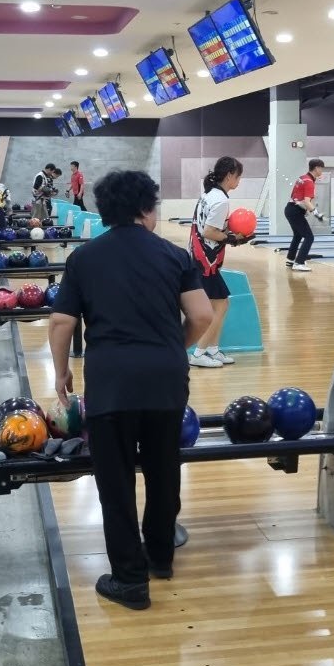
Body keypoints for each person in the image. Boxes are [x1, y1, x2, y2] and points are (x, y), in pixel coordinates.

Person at [49, 170, 213, 611]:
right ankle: (160, 556)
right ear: (146, 208)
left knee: (116, 481)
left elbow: (62, 321)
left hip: (111, 383)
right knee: (164, 470)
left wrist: (61, 373)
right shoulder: (174, 255)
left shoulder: (84, 258)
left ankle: (129, 579)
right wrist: (172, 348)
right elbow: (201, 316)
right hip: (165, 380)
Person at [188, 156, 247, 368]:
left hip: (199, 258)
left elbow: (209, 227)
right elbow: (209, 231)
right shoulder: (221, 200)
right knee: (219, 306)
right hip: (206, 262)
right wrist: (232, 238)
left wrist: (231, 235)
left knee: (221, 304)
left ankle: (212, 350)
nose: (239, 180)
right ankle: (199, 353)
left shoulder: (209, 194)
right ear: (230, 175)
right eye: (238, 176)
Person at [284, 159, 325, 272]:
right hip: (295, 211)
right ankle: (299, 263)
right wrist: (317, 214)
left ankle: (291, 259)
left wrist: (305, 210)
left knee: (298, 235)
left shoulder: (302, 178)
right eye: (321, 168)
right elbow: (307, 201)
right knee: (309, 237)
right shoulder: (309, 182)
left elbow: (296, 196)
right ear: (316, 168)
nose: (322, 171)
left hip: (290, 209)